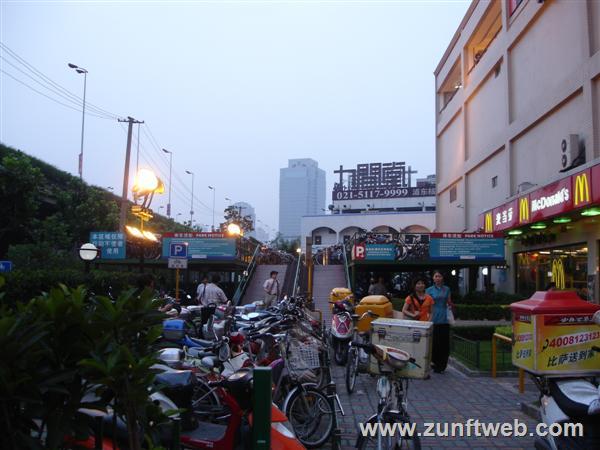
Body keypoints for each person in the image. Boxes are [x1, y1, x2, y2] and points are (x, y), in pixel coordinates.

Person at [426, 270, 454, 373]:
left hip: (444, 317)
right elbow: (426, 304)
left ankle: (442, 365)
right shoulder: (429, 290)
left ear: (442, 278)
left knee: (444, 343)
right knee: (434, 343)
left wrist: (451, 306)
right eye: (436, 276)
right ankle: (434, 362)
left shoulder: (447, 289)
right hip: (433, 317)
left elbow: (449, 302)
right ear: (433, 278)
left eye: (440, 276)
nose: (438, 278)